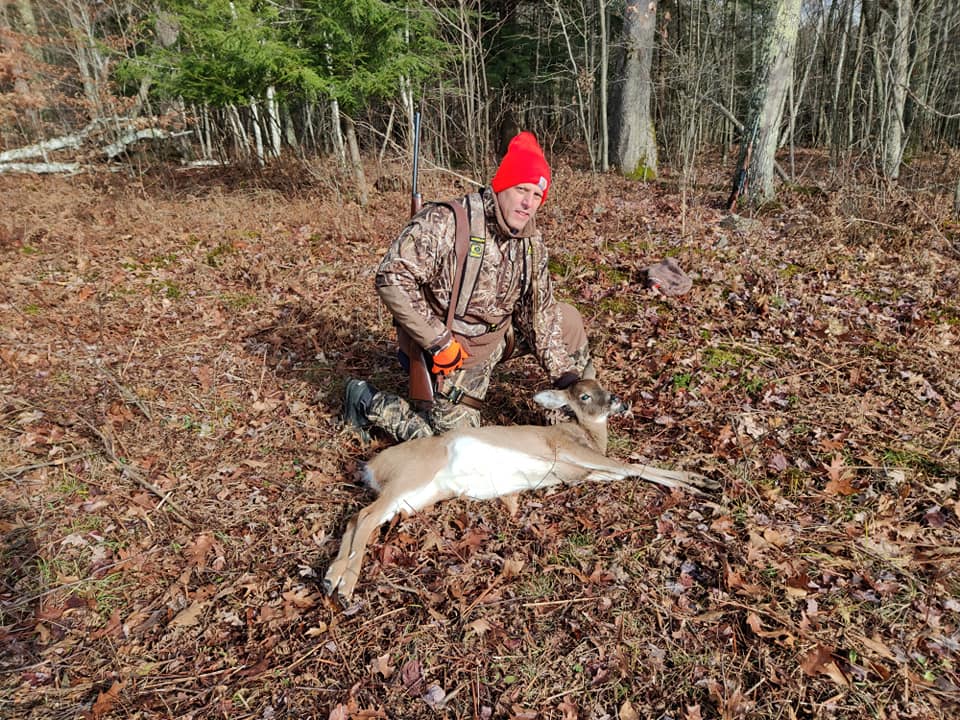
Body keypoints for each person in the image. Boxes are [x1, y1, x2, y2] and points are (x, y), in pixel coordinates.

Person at [344, 131, 595, 442]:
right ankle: (368, 400)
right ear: (501, 185)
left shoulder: (531, 243)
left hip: (499, 336)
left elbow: (540, 314)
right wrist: (437, 342)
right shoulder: (449, 221)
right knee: (457, 447)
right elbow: (392, 276)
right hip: (454, 352)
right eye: (521, 190)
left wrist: (565, 378)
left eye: (536, 195)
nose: (528, 203)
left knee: (567, 320)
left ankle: (570, 420)